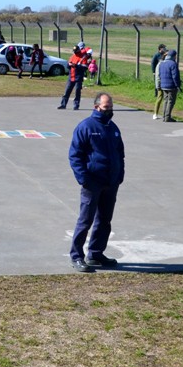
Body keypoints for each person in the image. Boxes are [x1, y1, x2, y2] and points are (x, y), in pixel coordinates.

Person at [68, 93, 125, 273]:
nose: (109, 111)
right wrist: (84, 178)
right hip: (92, 183)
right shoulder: (86, 127)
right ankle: (77, 256)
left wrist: (119, 174)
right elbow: (75, 155)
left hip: (111, 182)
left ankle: (95, 253)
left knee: (104, 220)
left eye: (111, 107)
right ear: (96, 107)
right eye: (106, 108)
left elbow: (120, 153)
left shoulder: (113, 128)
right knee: (85, 220)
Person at [58, 43, 91, 110]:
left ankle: (76, 105)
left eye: (76, 51)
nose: (75, 52)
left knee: (77, 91)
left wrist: (76, 66)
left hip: (78, 77)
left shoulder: (83, 57)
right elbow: (68, 65)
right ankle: (63, 104)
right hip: (71, 77)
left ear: (78, 50)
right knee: (67, 91)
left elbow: (85, 67)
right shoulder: (72, 56)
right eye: (74, 51)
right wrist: (69, 65)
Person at [157, 50, 181, 122]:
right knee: (170, 101)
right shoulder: (173, 64)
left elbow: (160, 75)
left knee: (165, 101)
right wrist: (178, 85)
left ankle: (164, 116)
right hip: (171, 86)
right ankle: (167, 117)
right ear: (173, 56)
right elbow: (175, 76)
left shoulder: (162, 63)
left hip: (163, 85)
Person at [151, 44, 167, 120]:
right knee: (160, 97)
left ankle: (166, 114)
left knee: (166, 99)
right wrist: (153, 72)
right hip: (158, 76)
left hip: (165, 79)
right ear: (160, 49)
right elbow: (153, 63)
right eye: (163, 48)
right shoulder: (157, 56)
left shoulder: (165, 56)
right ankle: (155, 113)